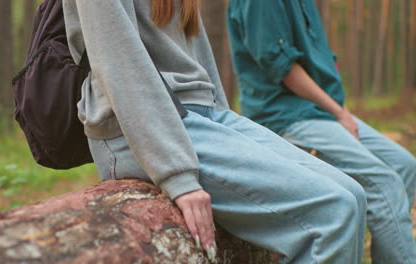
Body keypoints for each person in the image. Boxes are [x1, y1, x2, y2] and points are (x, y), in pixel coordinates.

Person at [63, 0, 367, 263]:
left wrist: (225, 124)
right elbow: (117, 62)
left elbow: (196, 57)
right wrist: (177, 175)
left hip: (204, 117)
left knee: (353, 195)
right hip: (139, 126)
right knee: (333, 212)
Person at [227, 0, 416, 263]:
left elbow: (323, 66)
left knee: (404, 164)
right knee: (384, 182)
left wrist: (341, 111)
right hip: (286, 115)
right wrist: (339, 113)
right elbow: (281, 68)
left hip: (323, 111)